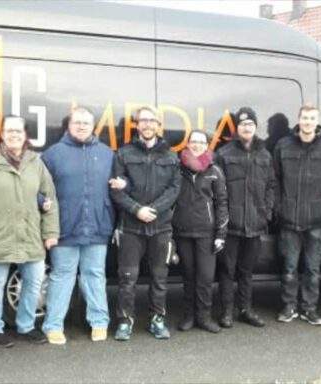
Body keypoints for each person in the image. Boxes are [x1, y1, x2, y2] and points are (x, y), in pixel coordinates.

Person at [0, 115, 59, 348]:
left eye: (18, 131)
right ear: (2, 134)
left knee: (34, 281)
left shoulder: (36, 162)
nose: (14, 135)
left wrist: (51, 232)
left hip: (29, 235)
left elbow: (49, 197)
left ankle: (25, 326)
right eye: (9, 131)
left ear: (25, 135)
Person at [40, 107, 121, 344]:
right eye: (77, 122)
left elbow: (116, 189)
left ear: (93, 126)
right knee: (62, 276)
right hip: (65, 228)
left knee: (94, 275)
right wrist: (42, 202)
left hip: (97, 226)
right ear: (69, 125)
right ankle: (53, 325)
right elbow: (37, 188)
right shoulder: (52, 155)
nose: (82, 126)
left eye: (86, 123)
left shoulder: (108, 154)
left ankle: (99, 322)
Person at [110, 106, 181, 341]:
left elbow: (174, 189)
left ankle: (157, 320)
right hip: (131, 227)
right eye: (143, 121)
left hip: (161, 227)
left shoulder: (170, 156)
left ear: (159, 125)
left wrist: (153, 210)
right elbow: (116, 190)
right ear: (137, 125)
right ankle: (124, 322)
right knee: (127, 278)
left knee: (160, 278)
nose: (148, 125)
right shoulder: (123, 154)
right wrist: (136, 209)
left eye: (152, 121)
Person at [272, 104, 321, 326]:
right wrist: (279, 207)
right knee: (289, 269)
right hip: (289, 219)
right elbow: (275, 180)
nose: (308, 122)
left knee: (312, 269)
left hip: (317, 220)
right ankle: (289, 307)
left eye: (312, 118)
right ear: (298, 120)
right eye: (304, 118)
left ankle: (309, 309)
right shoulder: (283, 146)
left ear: (317, 121)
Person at [215, 107, 276, 328]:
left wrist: (266, 213)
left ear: (255, 127)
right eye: (242, 125)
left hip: (255, 224)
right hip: (231, 225)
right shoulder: (224, 154)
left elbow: (271, 186)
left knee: (247, 272)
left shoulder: (265, 154)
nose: (246, 128)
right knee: (227, 271)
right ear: (237, 128)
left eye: (250, 124)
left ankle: (246, 310)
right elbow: (218, 189)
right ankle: (227, 313)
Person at [172, 130, 228, 333]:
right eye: (193, 141)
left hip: (207, 232)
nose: (196, 145)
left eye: (201, 142)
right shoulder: (177, 169)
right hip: (183, 231)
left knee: (205, 277)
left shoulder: (215, 171)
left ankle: (204, 317)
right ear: (187, 144)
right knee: (188, 276)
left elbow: (222, 204)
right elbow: (171, 201)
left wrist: (221, 234)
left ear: (207, 145)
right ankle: (189, 316)